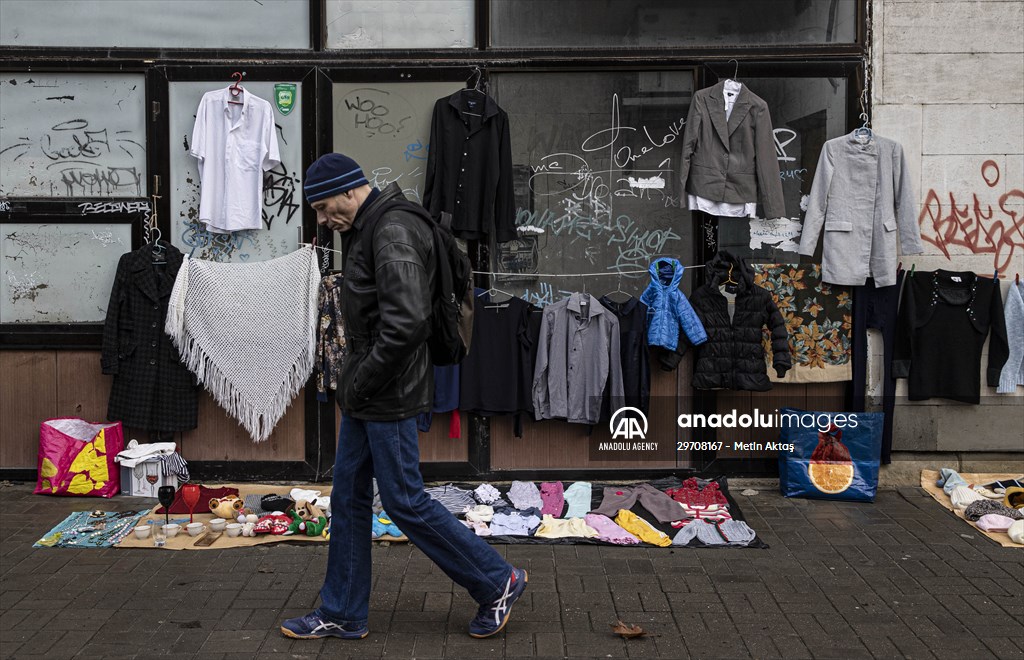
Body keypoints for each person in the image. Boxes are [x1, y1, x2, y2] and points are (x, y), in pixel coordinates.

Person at [280, 153, 527, 641]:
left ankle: (497, 580)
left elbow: (407, 323)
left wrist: (362, 381)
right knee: (349, 497)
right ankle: (344, 611)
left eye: (327, 208)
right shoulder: (370, 226)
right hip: (369, 389)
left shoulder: (390, 231)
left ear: (352, 190)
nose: (323, 220)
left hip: (386, 391)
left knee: (404, 502)